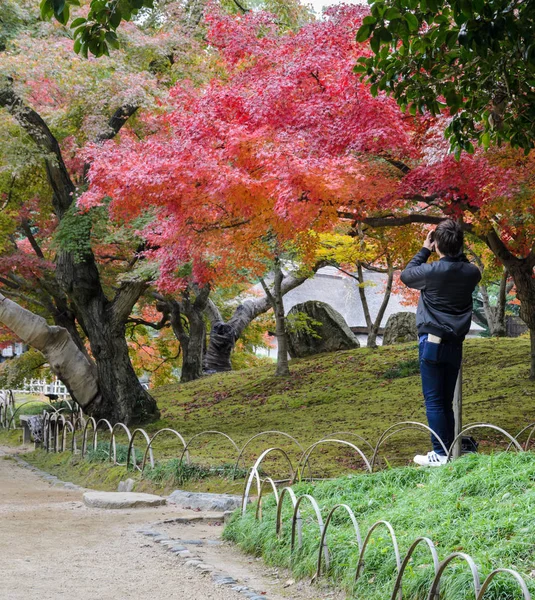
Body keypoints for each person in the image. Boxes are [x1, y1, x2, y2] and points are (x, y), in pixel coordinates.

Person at [400, 219, 481, 466]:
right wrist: (454, 250)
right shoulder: (472, 272)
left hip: (432, 342)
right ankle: (449, 451)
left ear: (437, 245)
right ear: (461, 244)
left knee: (435, 401)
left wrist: (425, 249)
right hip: (455, 344)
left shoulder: (431, 272)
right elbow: (463, 264)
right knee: (446, 401)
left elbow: (406, 274)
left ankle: (439, 452)